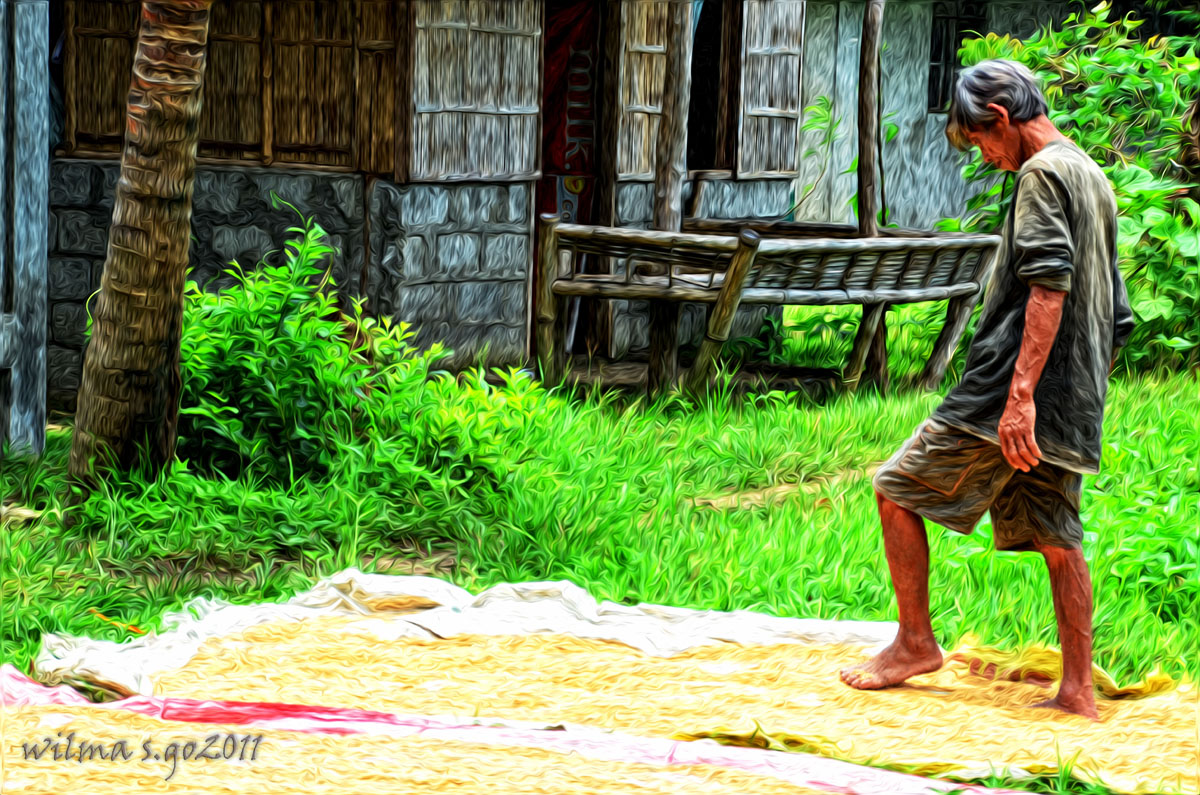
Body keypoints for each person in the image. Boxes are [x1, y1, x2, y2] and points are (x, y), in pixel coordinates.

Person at [838, 59, 1135, 721]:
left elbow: (1048, 284)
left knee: (895, 490)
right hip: (1073, 399)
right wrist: (1073, 395)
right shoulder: (1091, 175)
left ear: (998, 118)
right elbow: (1117, 314)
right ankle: (1078, 689)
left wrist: (1021, 396)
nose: (987, 157)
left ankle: (915, 641)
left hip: (1007, 392)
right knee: (1059, 536)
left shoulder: (1040, 174)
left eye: (980, 142)